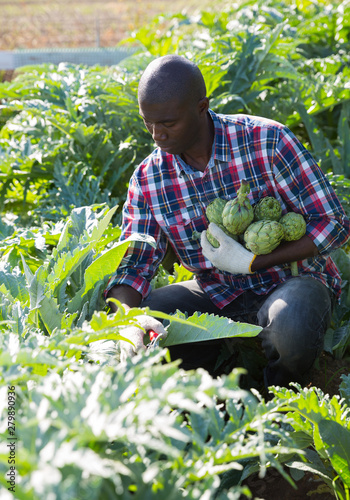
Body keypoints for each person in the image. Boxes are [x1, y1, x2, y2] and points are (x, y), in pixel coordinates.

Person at [105, 54, 350, 389]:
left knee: (290, 325)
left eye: (168, 123)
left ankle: (279, 396)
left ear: (202, 106)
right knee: (155, 313)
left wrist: (255, 261)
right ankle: (208, 391)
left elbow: (335, 222)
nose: (156, 136)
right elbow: (134, 265)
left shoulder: (268, 142)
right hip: (215, 292)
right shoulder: (149, 179)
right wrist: (126, 324)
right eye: (149, 123)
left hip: (291, 282)